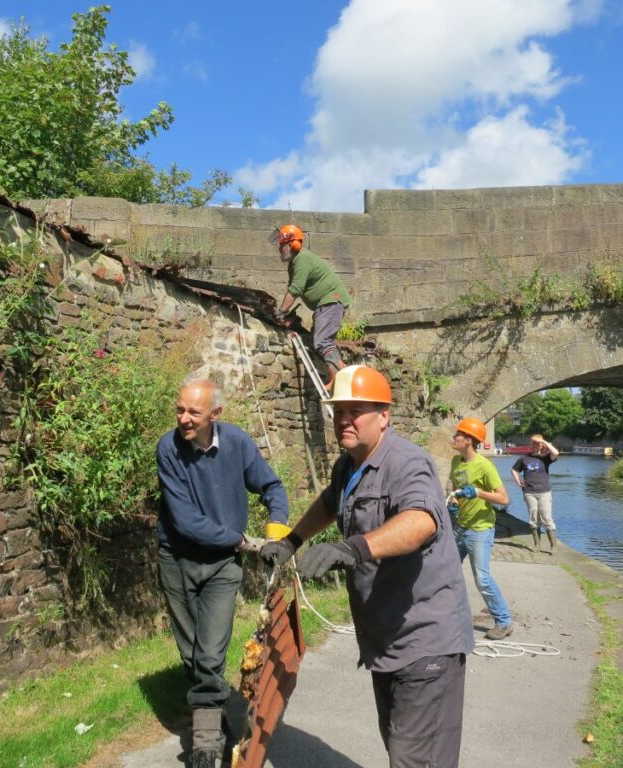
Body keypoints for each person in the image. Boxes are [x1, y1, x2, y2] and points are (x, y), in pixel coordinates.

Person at [261, 365, 474, 768]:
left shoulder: (407, 463)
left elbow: (422, 521)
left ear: (383, 415)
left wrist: (354, 548)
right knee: (400, 746)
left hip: (425, 638)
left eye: (354, 410)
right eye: (338, 410)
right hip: (385, 639)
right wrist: (291, 541)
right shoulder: (348, 466)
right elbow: (329, 503)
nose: (343, 419)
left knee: (415, 760)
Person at [156, 378, 290, 768]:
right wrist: (244, 542)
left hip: (221, 568)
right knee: (192, 655)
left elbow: (271, 486)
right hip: (176, 559)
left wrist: (277, 532)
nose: (183, 418)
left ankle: (204, 743)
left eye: (193, 412)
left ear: (216, 414)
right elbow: (185, 522)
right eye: (180, 409)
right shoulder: (169, 448)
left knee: (211, 654)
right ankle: (215, 723)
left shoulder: (237, 443)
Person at [448, 417, 514, 640]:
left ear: (468, 440)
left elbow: (504, 499)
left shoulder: (485, 466)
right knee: (446, 571)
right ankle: (448, 616)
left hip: (480, 530)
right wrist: (454, 504)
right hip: (460, 527)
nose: (454, 437)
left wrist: (477, 492)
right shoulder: (456, 462)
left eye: (458, 434)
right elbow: (456, 490)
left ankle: (504, 622)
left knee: (482, 579)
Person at [272, 224, 351, 389]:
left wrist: (281, 312)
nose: (280, 249)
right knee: (317, 342)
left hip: (331, 300)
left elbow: (295, 289)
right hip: (324, 304)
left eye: (282, 245)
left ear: (291, 244)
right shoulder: (294, 264)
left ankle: (339, 379)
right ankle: (336, 374)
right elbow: (294, 287)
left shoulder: (303, 259)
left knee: (323, 341)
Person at [511, 433, 560, 553]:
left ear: (542, 445)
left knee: (546, 518)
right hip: (529, 492)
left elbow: (556, 453)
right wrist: (518, 482)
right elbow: (514, 469)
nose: (534, 445)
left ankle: (553, 546)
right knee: (533, 518)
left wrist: (544, 441)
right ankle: (536, 545)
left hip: (544, 492)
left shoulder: (546, 458)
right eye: (533, 442)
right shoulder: (524, 458)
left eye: (537, 443)